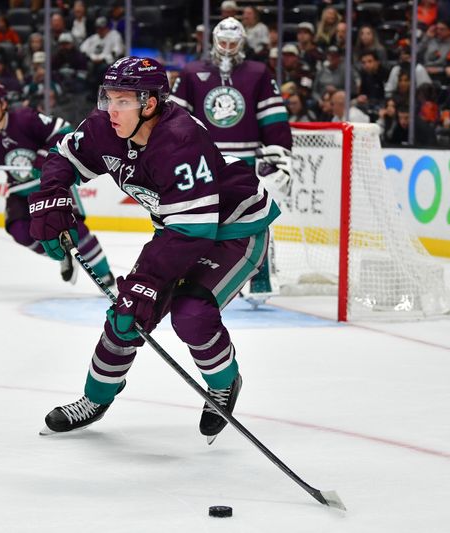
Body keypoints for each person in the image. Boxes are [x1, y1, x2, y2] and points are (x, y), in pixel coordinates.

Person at [29, 57, 279, 442]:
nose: (111, 108)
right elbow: (63, 158)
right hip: (181, 228)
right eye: (108, 97)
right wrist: (53, 195)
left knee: (191, 313)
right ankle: (95, 398)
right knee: (126, 316)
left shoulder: (180, 140)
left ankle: (224, 383)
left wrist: (145, 282)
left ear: (150, 103)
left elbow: (192, 231)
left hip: (235, 228)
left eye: (123, 100)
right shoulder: (104, 127)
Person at [169, 17, 292, 307]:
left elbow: (273, 120)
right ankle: (189, 274)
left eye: (232, 43)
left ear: (242, 43)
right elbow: (174, 121)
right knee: (197, 217)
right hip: (203, 160)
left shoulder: (258, 73)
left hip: (244, 159)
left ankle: (261, 277)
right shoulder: (191, 72)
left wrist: (279, 157)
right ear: (213, 41)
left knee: (253, 218)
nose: (226, 48)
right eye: (222, 42)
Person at [0, 83, 115, 285]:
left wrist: (43, 158)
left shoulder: (25, 119)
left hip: (51, 183)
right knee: (20, 231)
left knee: (76, 230)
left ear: (4, 103)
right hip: (19, 191)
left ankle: (106, 278)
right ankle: (63, 256)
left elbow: (63, 129)